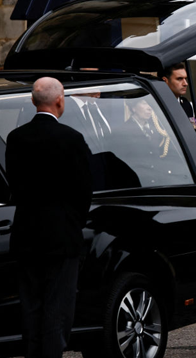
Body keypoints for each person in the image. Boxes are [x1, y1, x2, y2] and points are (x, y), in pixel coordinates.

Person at [6, 77, 93, 358]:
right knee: (58, 310)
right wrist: (73, 222)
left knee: (31, 308)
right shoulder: (71, 139)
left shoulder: (16, 139)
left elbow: (15, 187)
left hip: (26, 234)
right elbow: (84, 190)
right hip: (62, 236)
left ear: (33, 101)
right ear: (60, 100)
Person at [161, 62, 196, 129]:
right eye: (179, 79)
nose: (185, 83)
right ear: (165, 81)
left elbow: (192, 130)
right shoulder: (158, 104)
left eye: (185, 79)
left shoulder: (186, 104)